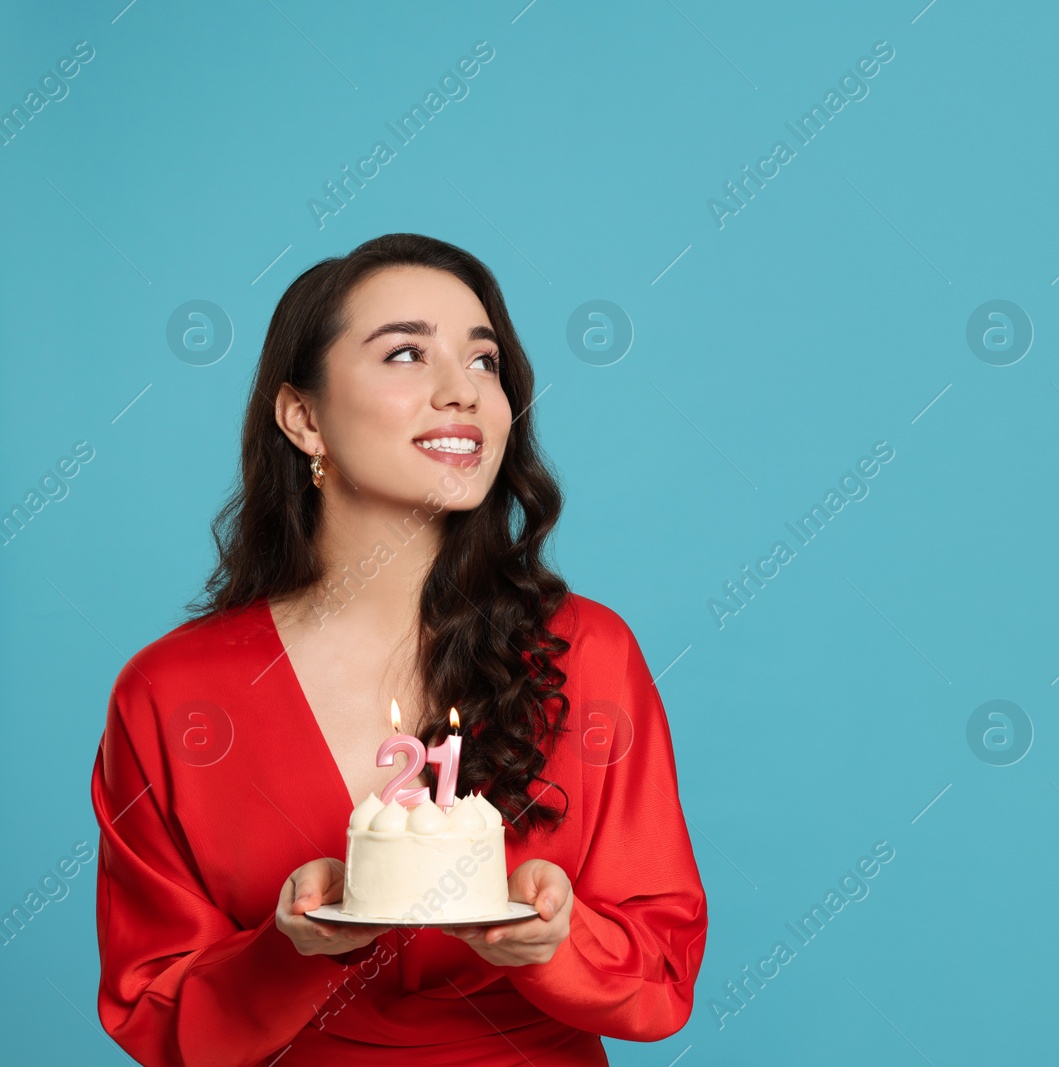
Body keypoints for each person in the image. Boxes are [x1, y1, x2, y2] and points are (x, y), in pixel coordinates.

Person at [90, 233, 707, 1065]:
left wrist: (559, 943)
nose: (464, 392)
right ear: (303, 417)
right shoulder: (171, 691)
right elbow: (152, 1009)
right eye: (407, 353)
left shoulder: (588, 651)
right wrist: (289, 949)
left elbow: (663, 975)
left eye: (485, 362)